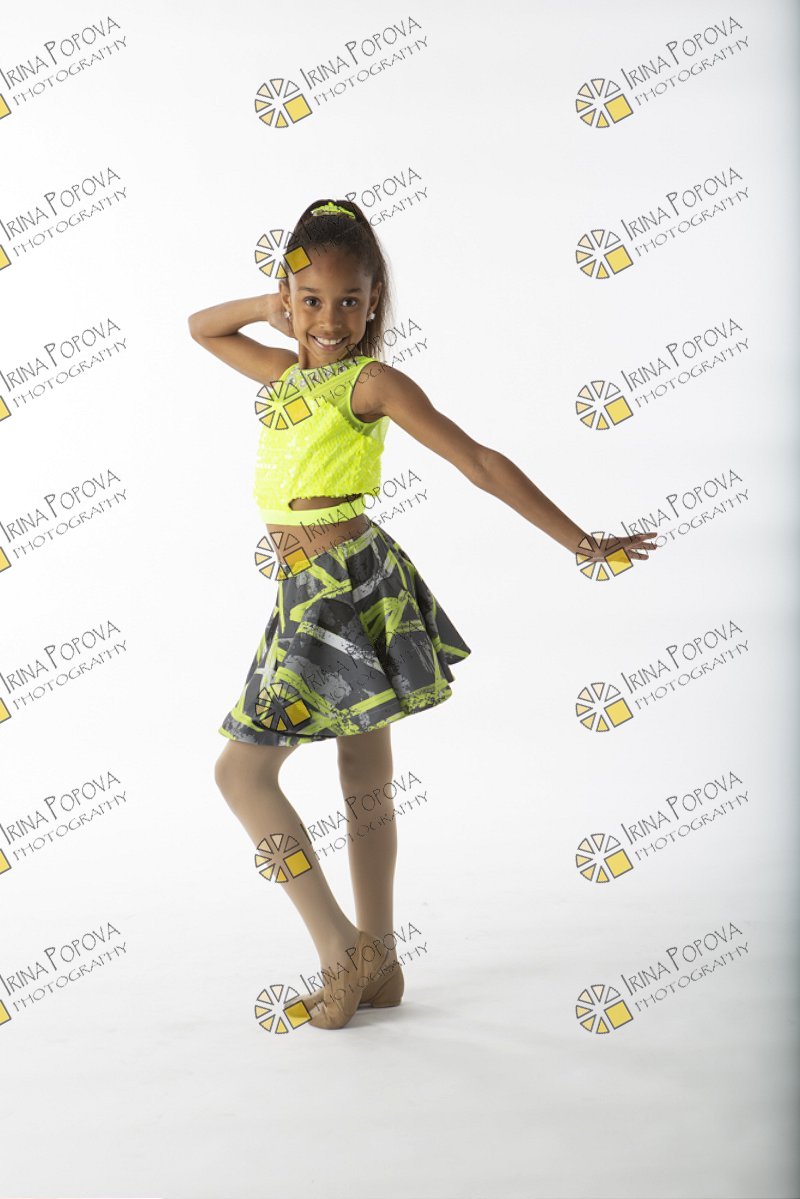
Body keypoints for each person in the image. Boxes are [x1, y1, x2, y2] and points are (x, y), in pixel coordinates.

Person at [187, 197, 658, 1031]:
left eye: (349, 300)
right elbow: (201, 328)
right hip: (309, 588)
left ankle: (343, 952)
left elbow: (477, 460)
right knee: (362, 775)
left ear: (375, 301)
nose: (330, 320)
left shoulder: (370, 383)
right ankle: (381, 959)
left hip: (344, 583)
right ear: (288, 298)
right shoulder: (285, 375)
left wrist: (581, 542)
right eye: (311, 300)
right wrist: (269, 304)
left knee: (242, 774)